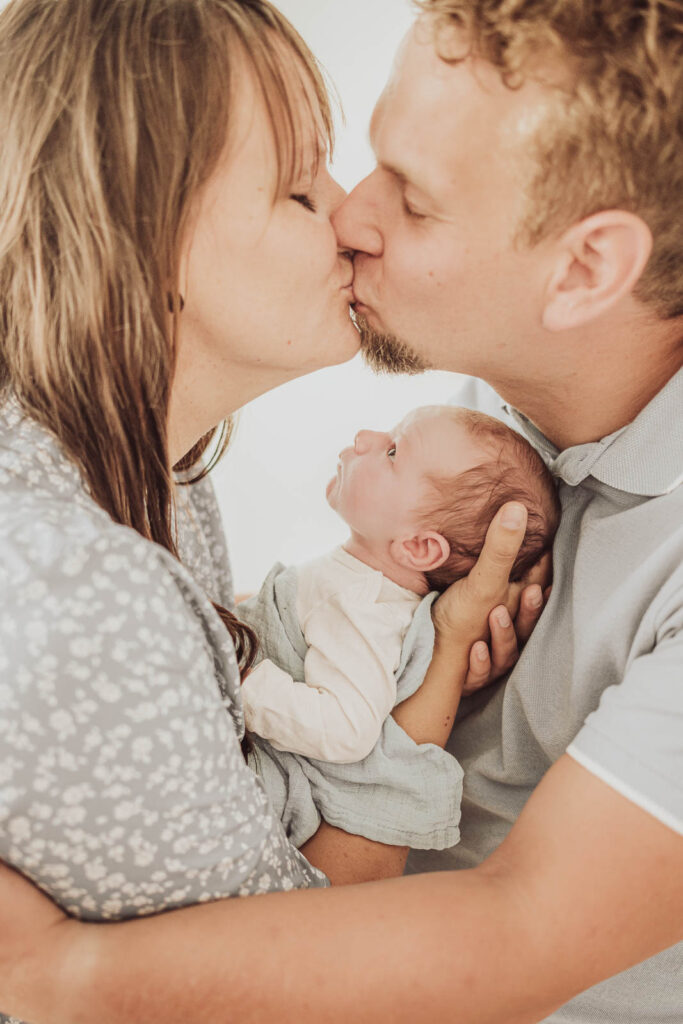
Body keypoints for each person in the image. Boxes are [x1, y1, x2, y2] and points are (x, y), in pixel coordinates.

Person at [2, 1, 680, 1022]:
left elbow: (520, 933)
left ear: (583, 271)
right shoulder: (501, 387)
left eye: (410, 200)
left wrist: (57, 977)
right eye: (325, 173)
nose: (351, 217)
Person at [242, 405, 559, 764]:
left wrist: (241, 682)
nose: (363, 437)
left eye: (392, 452)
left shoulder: (363, 606)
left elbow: (347, 731)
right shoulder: (356, 587)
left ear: (419, 547)